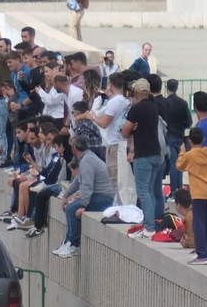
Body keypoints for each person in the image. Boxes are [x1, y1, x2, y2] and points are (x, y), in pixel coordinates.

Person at [54, 134, 114, 258]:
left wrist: (83, 205)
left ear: (74, 147)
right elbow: (77, 181)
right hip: (98, 196)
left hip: (104, 198)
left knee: (71, 209)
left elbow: (87, 185)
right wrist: (66, 196)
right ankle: (68, 241)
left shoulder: (87, 161)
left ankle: (74, 244)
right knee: (70, 207)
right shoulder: (87, 158)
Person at [123, 78, 165, 236]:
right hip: (156, 153)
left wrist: (131, 128)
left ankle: (149, 227)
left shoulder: (136, 109)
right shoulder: (154, 107)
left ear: (137, 91)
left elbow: (125, 131)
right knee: (150, 190)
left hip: (143, 154)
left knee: (143, 191)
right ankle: (151, 222)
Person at [177, 128, 207, 265]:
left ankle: (202, 254)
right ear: (202, 139)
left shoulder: (189, 155)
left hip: (198, 193)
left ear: (190, 140)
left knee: (199, 224)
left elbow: (179, 166)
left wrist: (182, 151)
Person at [93, 72, 132, 204]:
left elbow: (104, 123)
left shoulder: (114, 101)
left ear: (111, 84)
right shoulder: (127, 99)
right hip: (123, 142)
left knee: (115, 178)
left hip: (114, 143)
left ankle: (119, 204)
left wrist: (92, 117)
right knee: (123, 178)